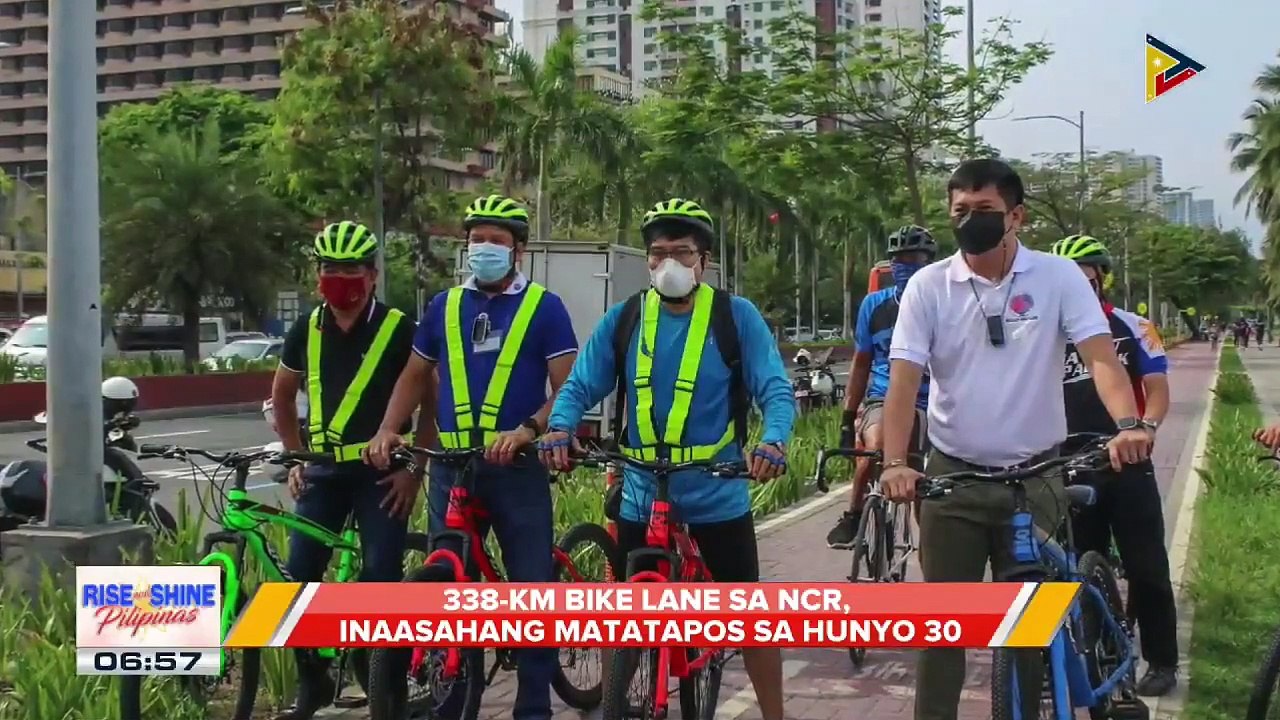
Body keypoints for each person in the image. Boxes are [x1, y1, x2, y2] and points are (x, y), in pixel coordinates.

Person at [876, 159, 1153, 720]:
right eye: (960, 211)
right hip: (954, 479)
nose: (970, 220)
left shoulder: (1058, 277)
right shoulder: (929, 286)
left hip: (1037, 478)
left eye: (984, 210)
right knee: (942, 631)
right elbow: (904, 380)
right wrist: (895, 462)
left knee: (1029, 631)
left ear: (1016, 216)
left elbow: (1101, 358)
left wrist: (1129, 425)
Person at [538, 198, 796, 720]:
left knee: (749, 616)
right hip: (641, 491)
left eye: (682, 252)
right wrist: (560, 426)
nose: (668, 263)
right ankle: (617, 699)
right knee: (624, 620)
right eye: (658, 253)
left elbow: (775, 389)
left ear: (704, 260)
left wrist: (773, 441)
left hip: (716, 493)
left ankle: (775, 715)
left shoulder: (735, 316)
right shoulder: (626, 318)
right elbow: (580, 385)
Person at [364, 194, 579, 720]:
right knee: (447, 586)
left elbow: (569, 388)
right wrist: (389, 428)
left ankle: (533, 707)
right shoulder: (444, 306)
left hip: (515, 467)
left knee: (530, 590)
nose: (484, 248)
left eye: (496, 241)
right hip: (452, 465)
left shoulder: (544, 308)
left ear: (518, 251)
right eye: (477, 239)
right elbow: (415, 374)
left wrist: (529, 430)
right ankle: (451, 701)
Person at [270, 220, 419, 720]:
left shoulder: (399, 327)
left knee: (380, 578)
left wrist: (414, 470)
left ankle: (390, 693)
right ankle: (312, 679)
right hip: (324, 471)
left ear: (372, 275)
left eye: (351, 270)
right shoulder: (306, 328)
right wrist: (295, 456)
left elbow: (432, 398)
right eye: (330, 269)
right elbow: (282, 395)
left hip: (383, 475)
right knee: (299, 576)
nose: (340, 280)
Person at [1050, 234, 1180, 697]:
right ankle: (1097, 656)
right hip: (1067, 461)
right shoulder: (1044, 332)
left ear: (1102, 279)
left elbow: (1157, 388)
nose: (1078, 290)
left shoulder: (1135, 326)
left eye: (1086, 280)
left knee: (1147, 566)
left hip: (1126, 457)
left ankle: (1162, 660)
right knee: (1076, 568)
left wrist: (1146, 427)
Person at [825, 225, 936, 549]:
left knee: (927, 484)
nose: (904, 265)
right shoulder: (874, 306)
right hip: (883, 397)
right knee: (874, 450)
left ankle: (931, 546)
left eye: (913, 258)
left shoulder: (943, 304)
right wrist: (847, 419)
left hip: (931, 400)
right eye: (898, 259)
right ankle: (854, 514)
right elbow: (861, 364)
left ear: (929, 262)